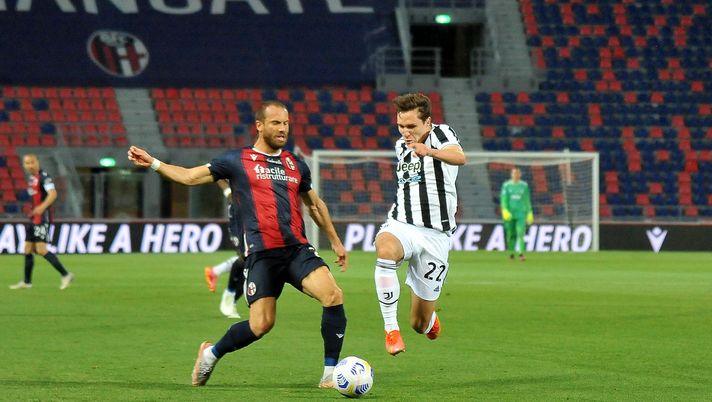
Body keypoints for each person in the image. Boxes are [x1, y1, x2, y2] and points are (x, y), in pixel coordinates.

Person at [127, 101, 348, 389]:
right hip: (261, 256)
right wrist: (154, 163)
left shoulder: (295, 164)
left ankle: (330, 375)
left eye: (286, 123)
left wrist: (335, 240)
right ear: (259, 126)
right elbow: (190, 177)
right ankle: (211, 354)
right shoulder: (236, 161)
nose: (283, 129)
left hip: (296, 249)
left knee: (333, 295)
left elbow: (315, 205)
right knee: (261, 325)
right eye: (276, 123)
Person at [374, 93, 465, 356]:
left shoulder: (442, 134)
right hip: (402, 224)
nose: (405, 132)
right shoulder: (400, 146)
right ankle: (390, 330)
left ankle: (428, 320)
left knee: (419, 324)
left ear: (427, 122)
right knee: (385, 250)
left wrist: (430, 151)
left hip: (435, 237)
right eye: (401, 126)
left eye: (411, 126)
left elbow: (460, 158)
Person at [9, 154, 74, 290]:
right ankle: (27, 282)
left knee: (41, 250)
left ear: (37, 162)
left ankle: (66, 274)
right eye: (27, 163)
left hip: (42, 218)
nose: (30, 165)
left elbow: (53, 194)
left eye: (32, 162)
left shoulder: (45, 177)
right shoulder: (32, 178)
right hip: (34, 218)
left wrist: (41, 208)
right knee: (27, 249)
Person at [203, 180, 247, 318]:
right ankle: (230, 293)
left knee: (250, 266)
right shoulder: (234, 193)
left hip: (252, 223)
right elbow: (218, 176)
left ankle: (231, 300)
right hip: (239, 226)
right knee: (245, 258)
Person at [500, 167, 534, 261]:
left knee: (520, 233)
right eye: (514, 173)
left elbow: (526, 199)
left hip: (520, 214)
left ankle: (521, 253)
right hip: (510, 214)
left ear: (520, 175)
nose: (516, 175)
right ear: (512, 174)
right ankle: (511, 253)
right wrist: (505, 210)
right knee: (511, 234)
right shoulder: (506, 186)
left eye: (517, 173)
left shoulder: (524, 186)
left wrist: (529, 212)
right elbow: (504, 199)